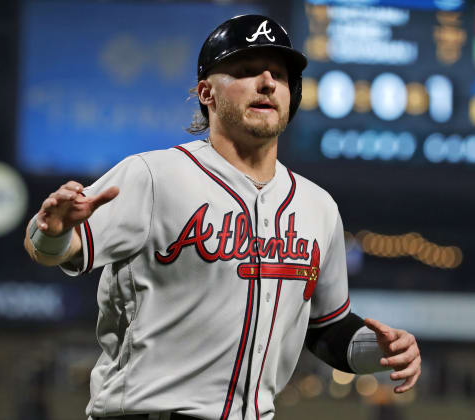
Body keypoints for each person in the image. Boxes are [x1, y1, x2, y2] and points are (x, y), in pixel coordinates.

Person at [23, 15, 421, 420]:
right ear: (206, 93)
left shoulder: (318, 207)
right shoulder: (154, 175)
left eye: (279, 75)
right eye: (247, 71)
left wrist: (379, 350)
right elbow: (60, 248)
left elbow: (326, 328)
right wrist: (51, 231)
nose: (267, 82)